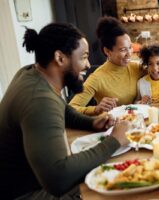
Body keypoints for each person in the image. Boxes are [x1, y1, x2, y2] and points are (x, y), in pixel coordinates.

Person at [0, 23, 130, 200]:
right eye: (83, 57)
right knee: (112, 185)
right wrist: (114, 141)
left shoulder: (31, 73)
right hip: (27, 194)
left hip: (29, 183)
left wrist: (91, 122)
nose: (88, 65)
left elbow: (62, 108)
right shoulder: (39, 100)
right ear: (60, 58)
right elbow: (59, 178)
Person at [69, 16, 144, 116]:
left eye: (130, 47)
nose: (129, 53)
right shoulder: (97, 78)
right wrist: (96, 109)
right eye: (123, 50)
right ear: (107, 51)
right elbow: (71, 109)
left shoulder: (136, 67)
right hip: (112, 127)